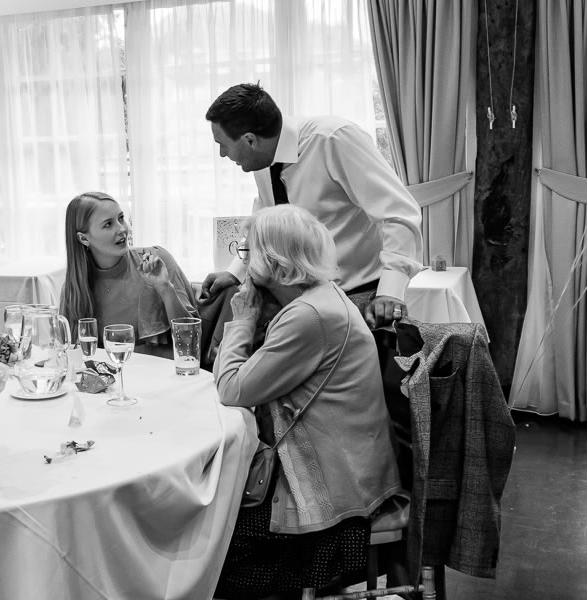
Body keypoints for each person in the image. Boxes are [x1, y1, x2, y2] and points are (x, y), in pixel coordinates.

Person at [214, 205, 402, 598]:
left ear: (275, 262)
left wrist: (243, 318)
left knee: (209, 542)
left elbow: (230, 388)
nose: (244, 262)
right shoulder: (322, 297)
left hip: (335, 500)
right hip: (354, 471)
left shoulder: (310, 317)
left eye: (248, 251)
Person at [204, 82, 423, 329]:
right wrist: (235, 272)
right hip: (300, 302)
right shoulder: (263, 160)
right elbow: (262, 231)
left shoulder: (335, 139)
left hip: (358, 296)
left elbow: (399, 213)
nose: (222, 154)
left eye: (222, 144)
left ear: (249, 140)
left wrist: (391, 291)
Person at [59, 192, 198, 358]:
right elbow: (70, 353)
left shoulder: (157, 260)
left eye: (121, 218)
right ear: (83, 238)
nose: (122, 229)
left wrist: (165, 288)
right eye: (108, 224)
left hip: (168, 372)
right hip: (114, 373)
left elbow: (192, 343)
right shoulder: (74, 289)